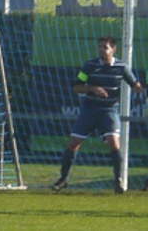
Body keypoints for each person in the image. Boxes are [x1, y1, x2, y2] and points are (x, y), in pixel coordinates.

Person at [52, 36, 142, 194]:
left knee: (114, 142)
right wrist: (92, 88)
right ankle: (63, 179)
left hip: (109, 110)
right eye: (100, 47)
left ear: (113, 49)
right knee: (74, 143)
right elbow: (77, 87)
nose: (102, 50)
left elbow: (135, 85)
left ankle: (118, 182)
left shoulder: (122, 67)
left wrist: (139, 86)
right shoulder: (90, 66)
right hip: (89, 109)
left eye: (105, 47)